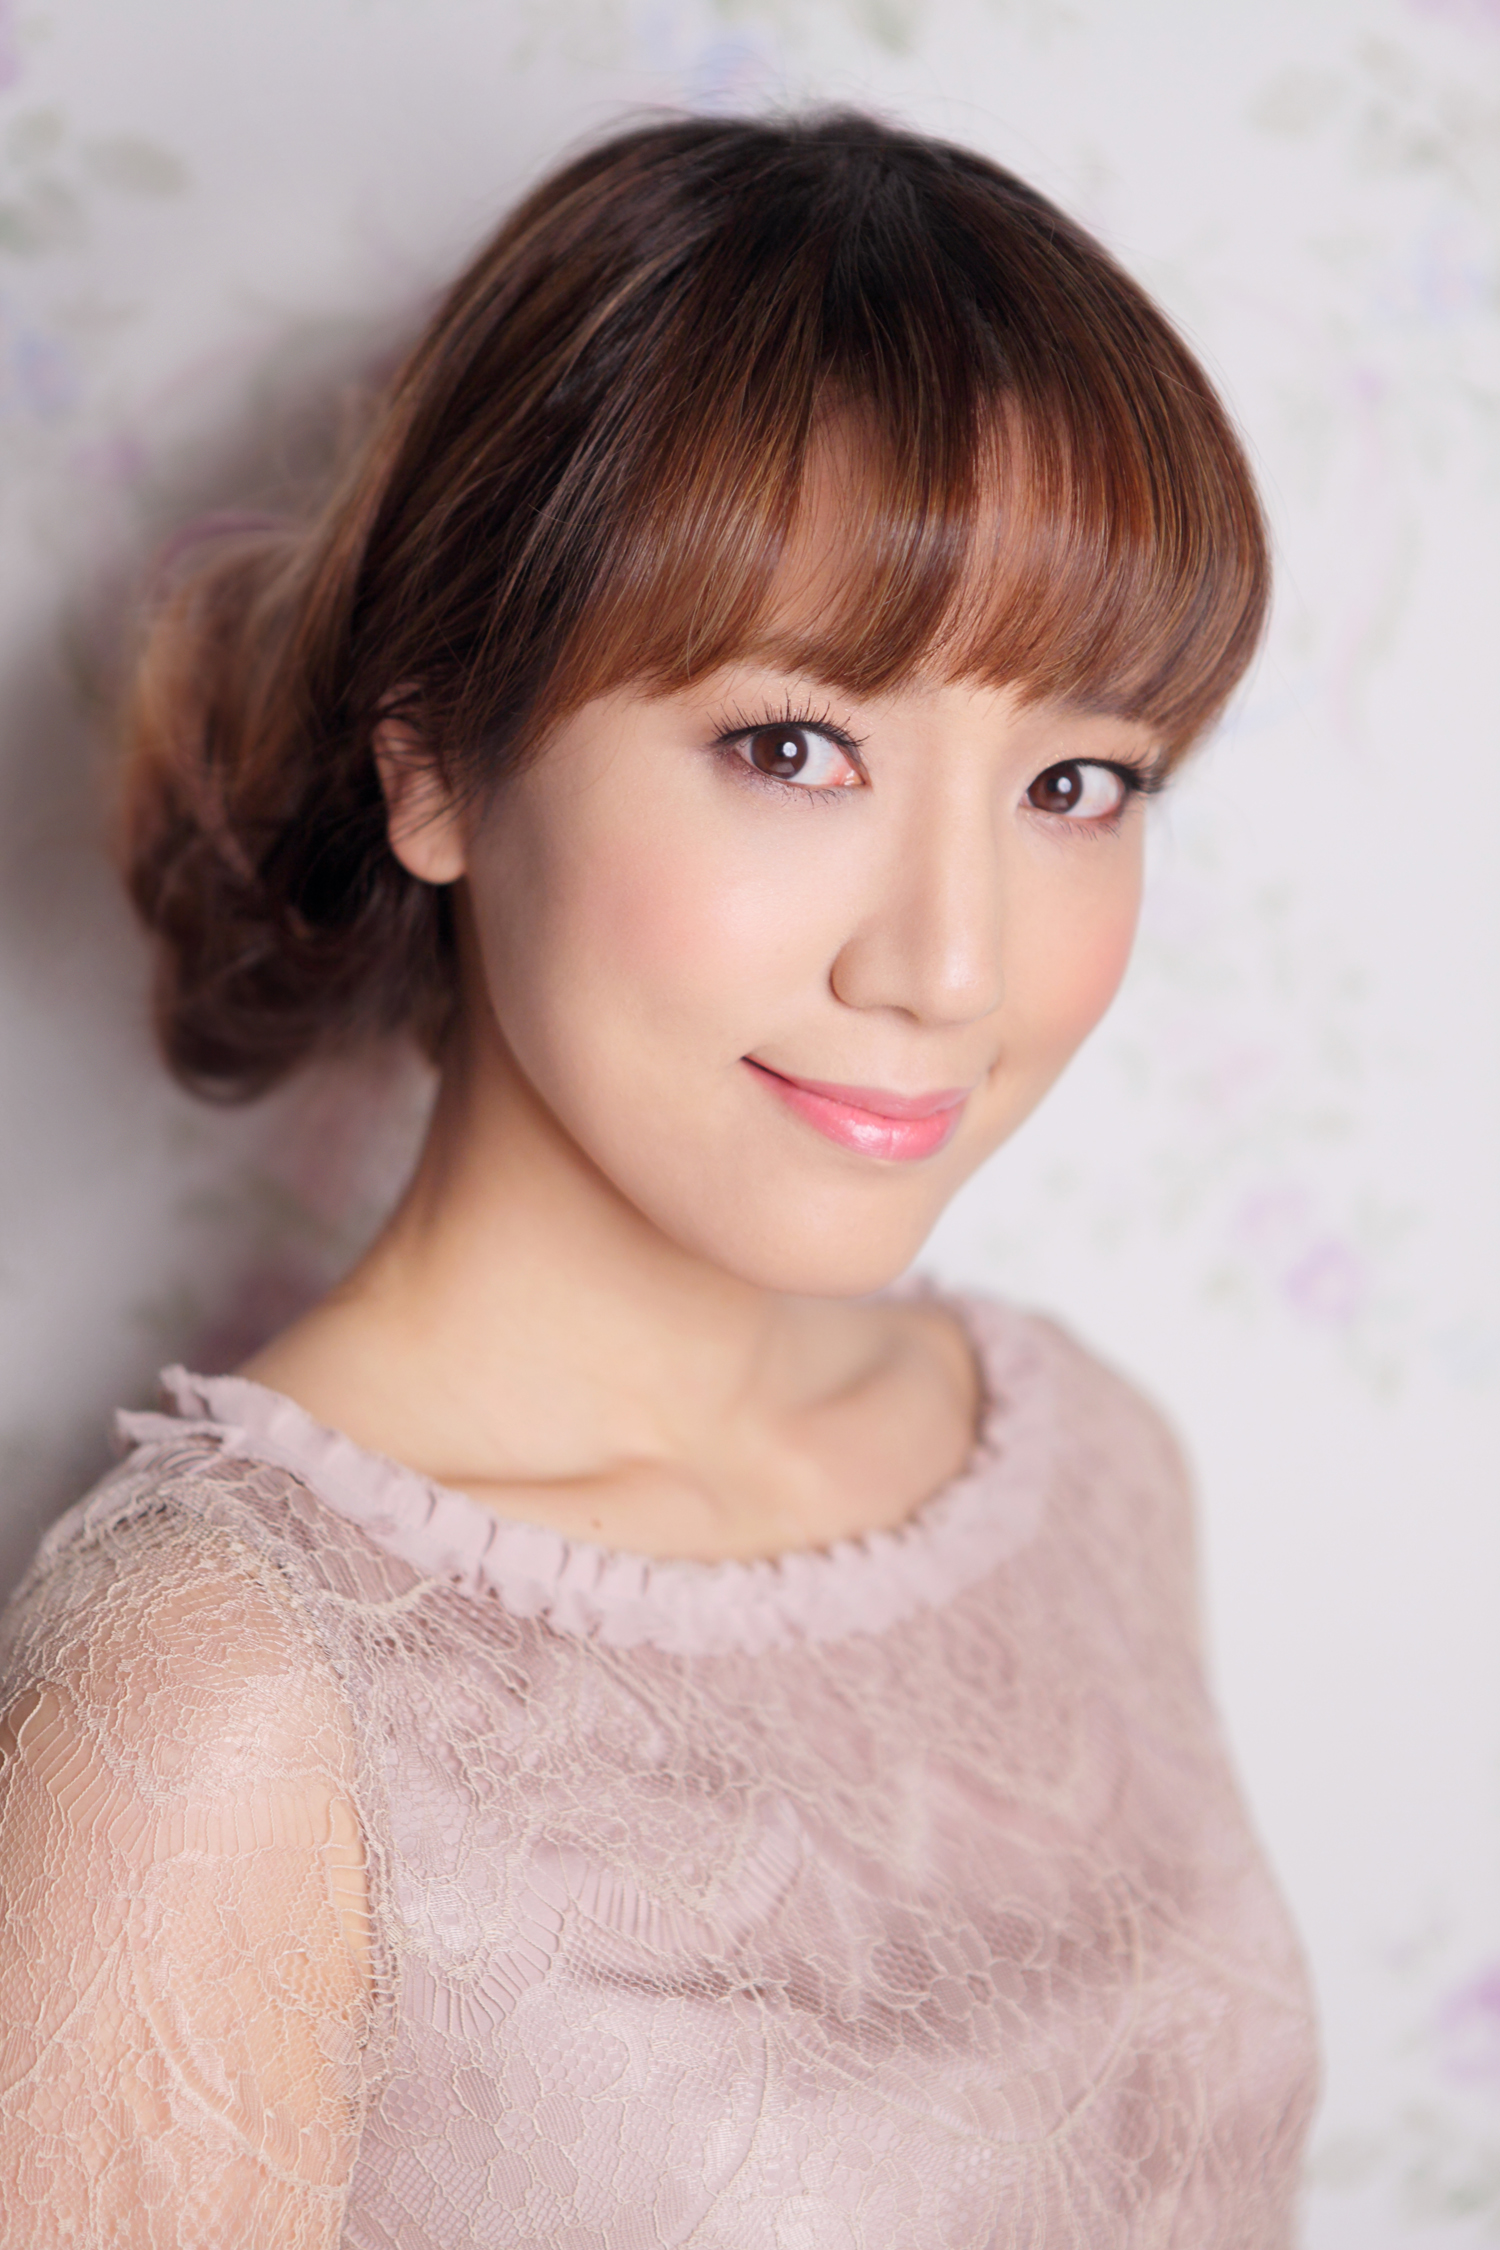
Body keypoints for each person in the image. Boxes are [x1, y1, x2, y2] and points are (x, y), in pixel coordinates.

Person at [0, 111, 1317, 2248]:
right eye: (795, 746)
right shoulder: (227, 1699)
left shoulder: (1092, 1471)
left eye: (1079, 780)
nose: (951, 964)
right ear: (435, 759)